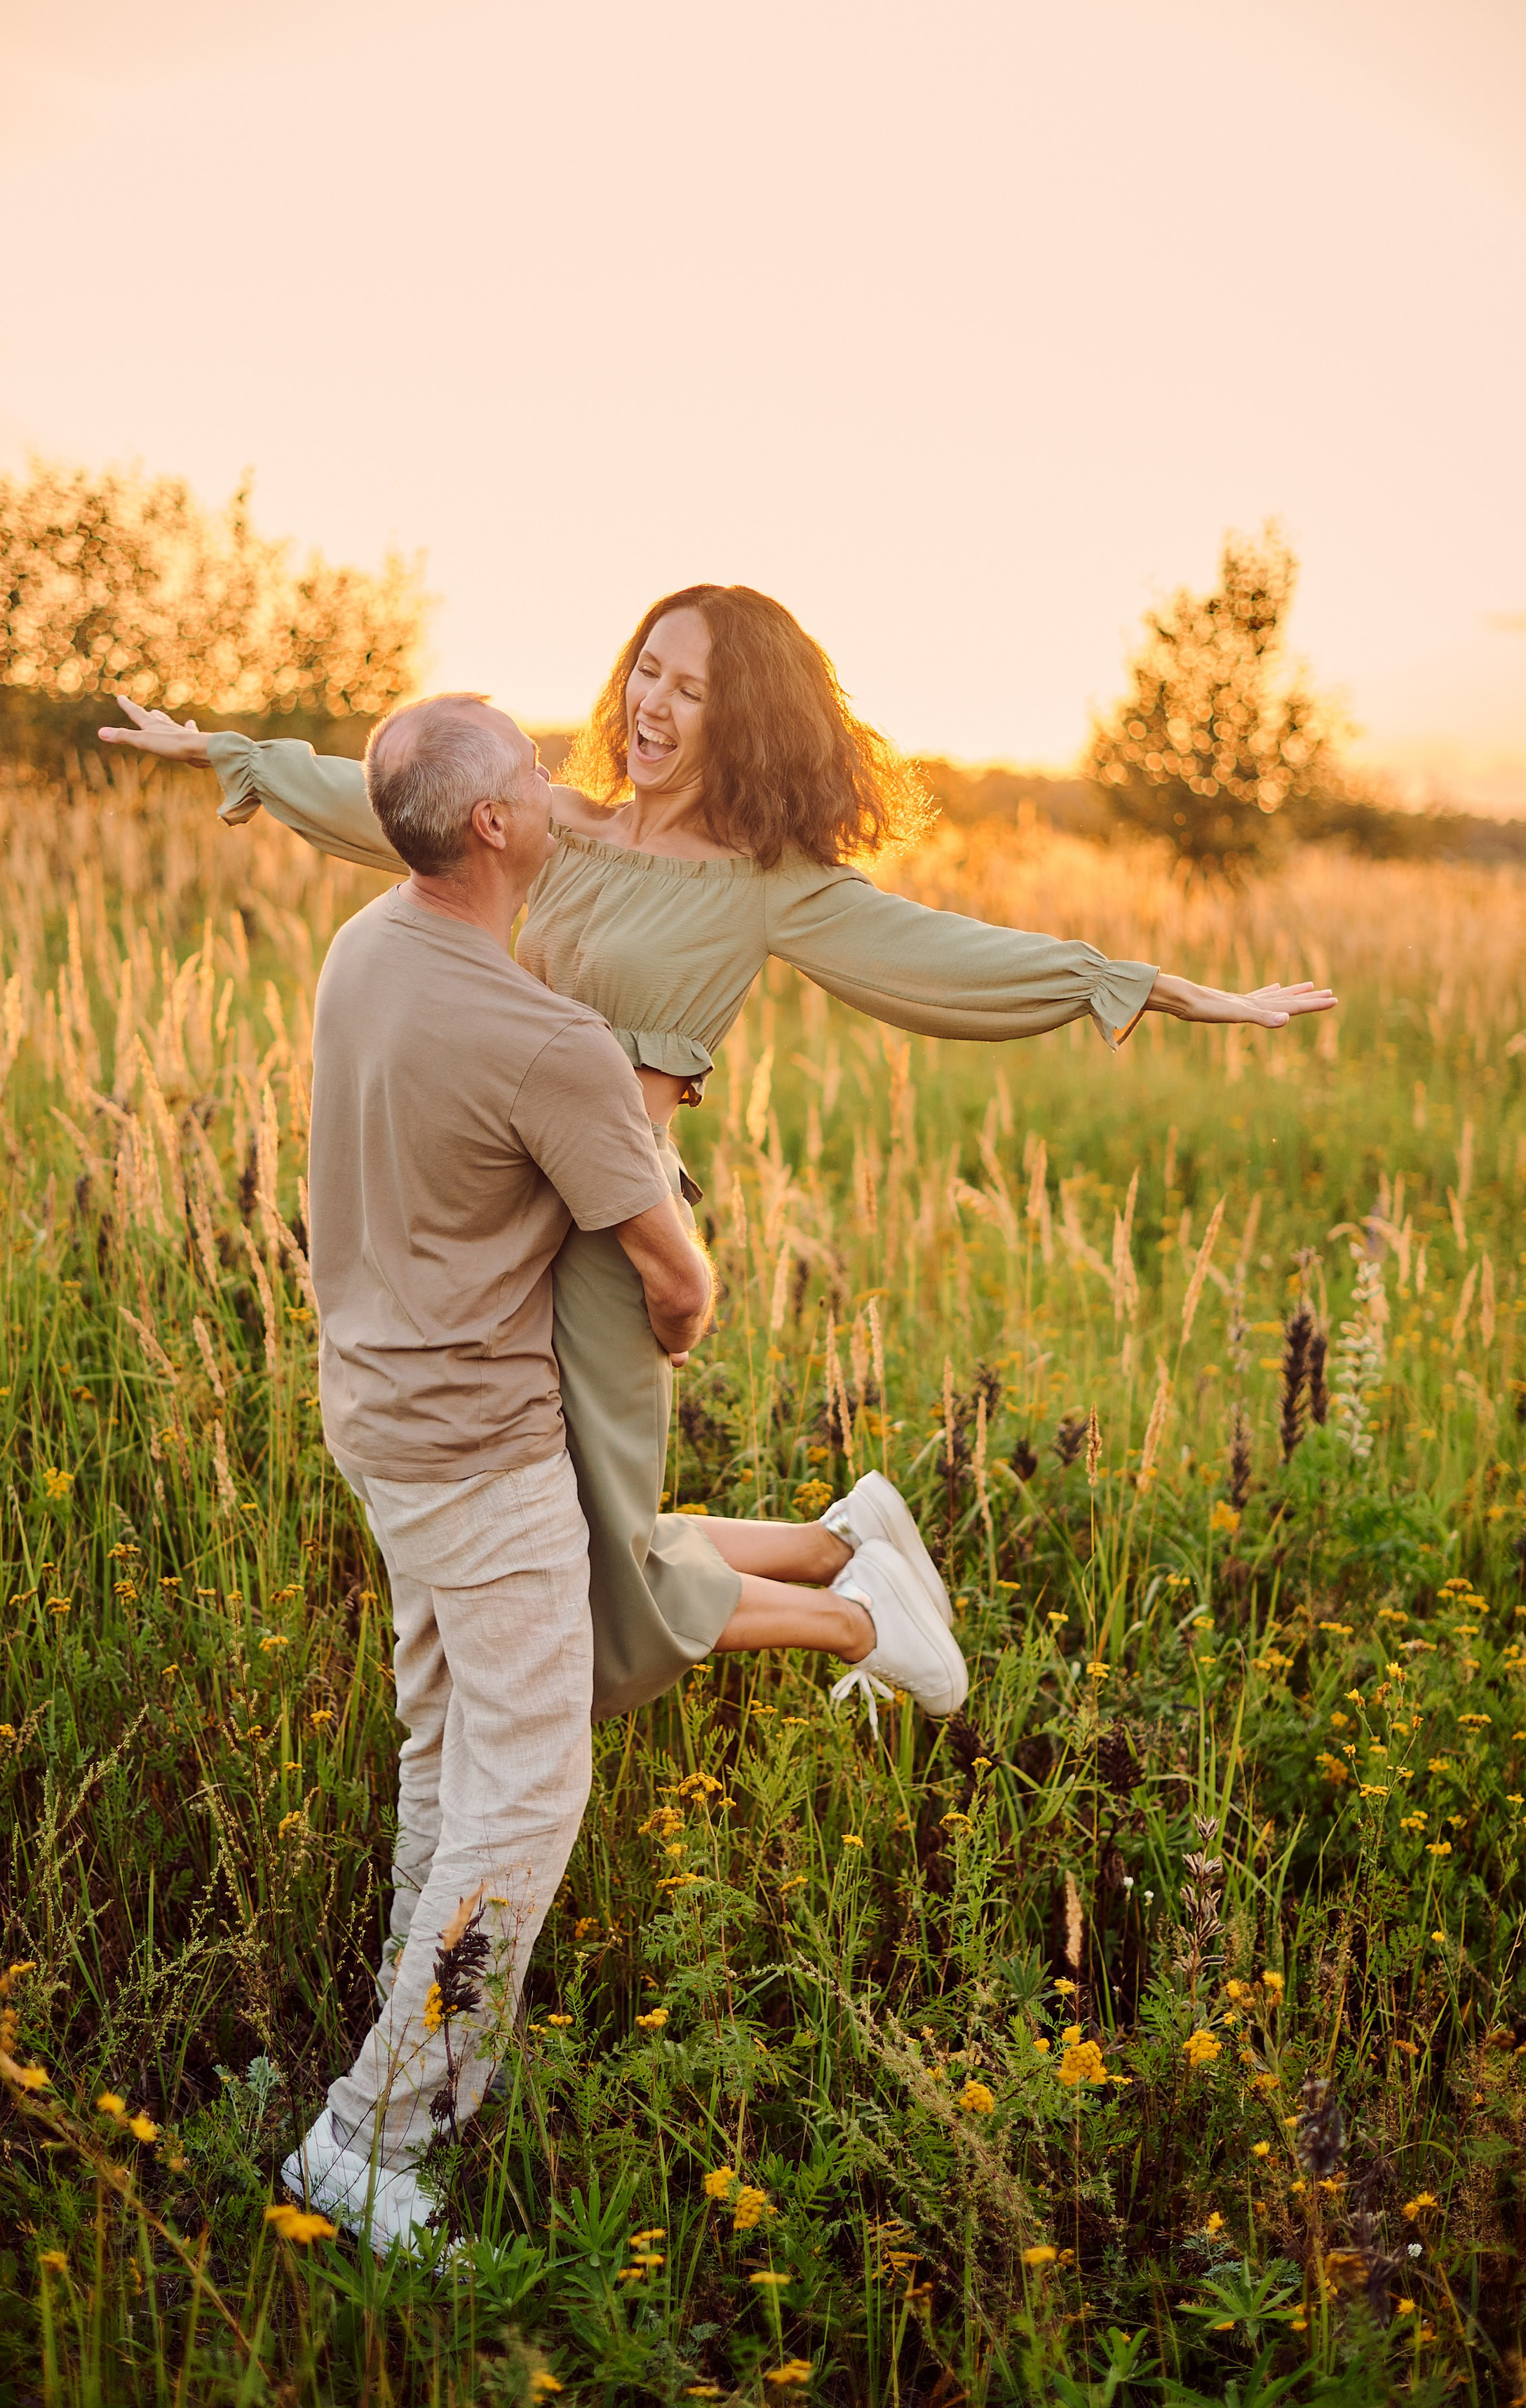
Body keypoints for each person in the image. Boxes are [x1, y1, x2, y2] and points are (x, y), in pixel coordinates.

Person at [101, 583, 1334, 1724]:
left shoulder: (763, 886)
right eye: (648, 672)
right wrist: (228, 752)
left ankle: (859, 1617)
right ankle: (837, 1545)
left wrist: (1159, 991)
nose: (654, 704)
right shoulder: (561, 825)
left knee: (594, 1573)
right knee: (568, 1527)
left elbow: (951, 955)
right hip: (502, 1221)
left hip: (612, 1233)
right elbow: (400, 808)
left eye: (691, 690)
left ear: (739, 722)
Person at [281, 694, 962, 2250]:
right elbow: (678, 1288)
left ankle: (422, 2037)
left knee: (443, 1737)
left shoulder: (368, 947)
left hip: (375, 1417)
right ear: (495, 831)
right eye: (526, 768)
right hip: (482, 1442)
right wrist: (649, 1179)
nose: (555, 772)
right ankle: (369, 2140)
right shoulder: (547, 1039)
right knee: (527, 1785)